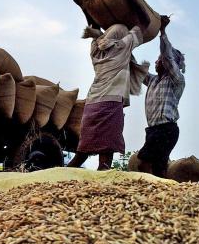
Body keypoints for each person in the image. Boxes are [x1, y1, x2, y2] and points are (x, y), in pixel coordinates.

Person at [68, 24, 149, 170]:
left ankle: (62, 177)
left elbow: (97, 36)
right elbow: (143, 24)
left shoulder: (95, 51)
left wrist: (96, 30)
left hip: (91, 105)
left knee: (82, 153)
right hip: (110, 104)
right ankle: (101, 186)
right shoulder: (122, 48)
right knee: (106, 154)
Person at [137, 16, 186, 177]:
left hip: (166, 129)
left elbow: (167, 56)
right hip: (153, 130)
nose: (156, 61)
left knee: (144, 163)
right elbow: (136, 69)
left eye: (159, 59)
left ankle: (151, 190)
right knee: (158, 166)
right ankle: (161, 192)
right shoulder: (153, 80)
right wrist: (125, 46)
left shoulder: (176, 80)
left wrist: (163, 31)